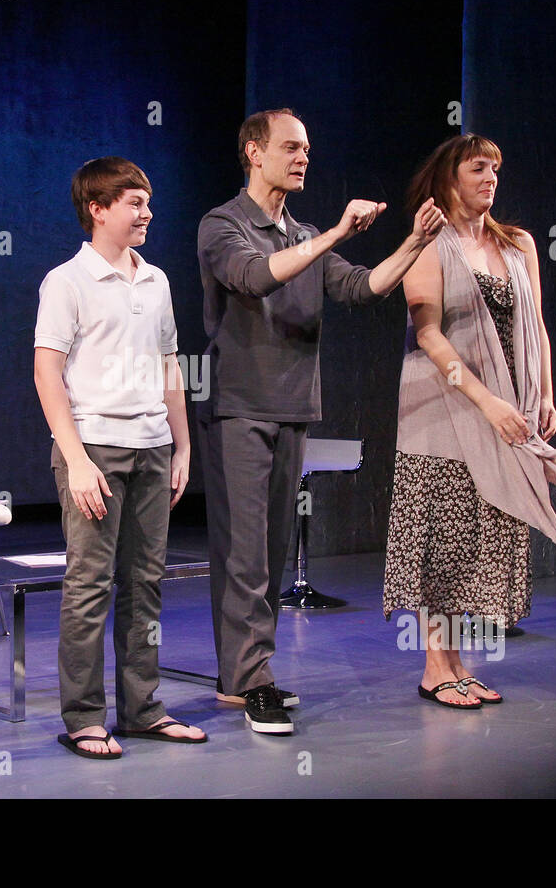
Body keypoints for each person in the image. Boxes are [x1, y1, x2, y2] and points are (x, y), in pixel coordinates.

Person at [197, 109, 446, 734]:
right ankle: (252, 681)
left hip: (292, 408)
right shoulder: (223, 224)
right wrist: (335, 233)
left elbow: (364, 288)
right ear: (254, 152)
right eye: (291, 147)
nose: (303, 157)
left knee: (272, 552)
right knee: (245, 555)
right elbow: (253, 279)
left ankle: (243, 677)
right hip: (240, 409)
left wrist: (414, 241)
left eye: (307, 147)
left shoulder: (301, 231)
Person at [383, 134, 556, 708]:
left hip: (509, 402)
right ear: (450, 176)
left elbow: (537, 326)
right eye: (478, 168)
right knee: (442, 538)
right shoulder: (430, 245)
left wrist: (543, 394)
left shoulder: (518, 244)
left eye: (495, 169)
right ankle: (434, 667)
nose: (491, 178)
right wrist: (487, 402)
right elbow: (427, 333)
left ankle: (459, 664)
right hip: (444, 406)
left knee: (480, 536)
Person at [34, 157, 205, 758]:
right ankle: (84, 717)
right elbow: (47, 373)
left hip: (153, 446)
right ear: (97, 209)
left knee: (145, 585)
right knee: (89, 585)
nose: (146, 212)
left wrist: (183, 444)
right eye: (133, 202)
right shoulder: (67, 281)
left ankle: (142, 709)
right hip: (95, 448)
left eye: (148, 201)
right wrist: (75, 458)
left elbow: (169, 367)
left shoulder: (155, 280)